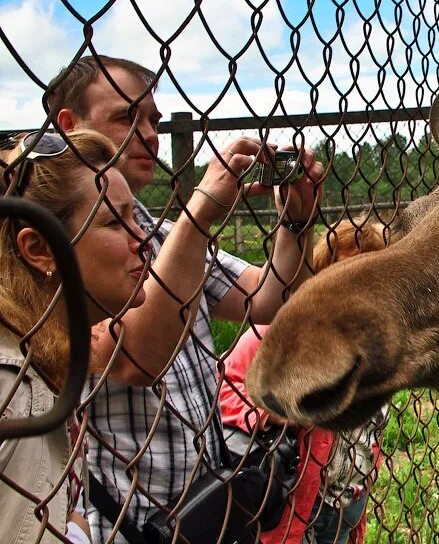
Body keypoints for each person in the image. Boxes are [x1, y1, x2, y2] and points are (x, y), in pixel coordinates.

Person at [46, 55, 325, 541]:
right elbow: (138, 359)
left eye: (153, 119)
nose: (149, 134)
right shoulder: (53, 254)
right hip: (124, 519)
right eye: (126, 117)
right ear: (69, 126)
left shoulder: (161, 235)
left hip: (205, 500)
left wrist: (295, 224)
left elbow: (266, 301)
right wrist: (200, 215)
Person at [0, 129, 148, 542]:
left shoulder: (46, 355)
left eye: (136, 217)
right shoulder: (11, 384)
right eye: (115, 221)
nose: (143, 238)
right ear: (40, 248)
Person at [220, 220, 388, 544]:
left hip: (351, 498)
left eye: (370, 277)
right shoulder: (281, 333)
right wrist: (271, 411)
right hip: (304, 501)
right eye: (342, 273)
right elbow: (223, 388)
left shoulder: (375, 346)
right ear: (319, 274)